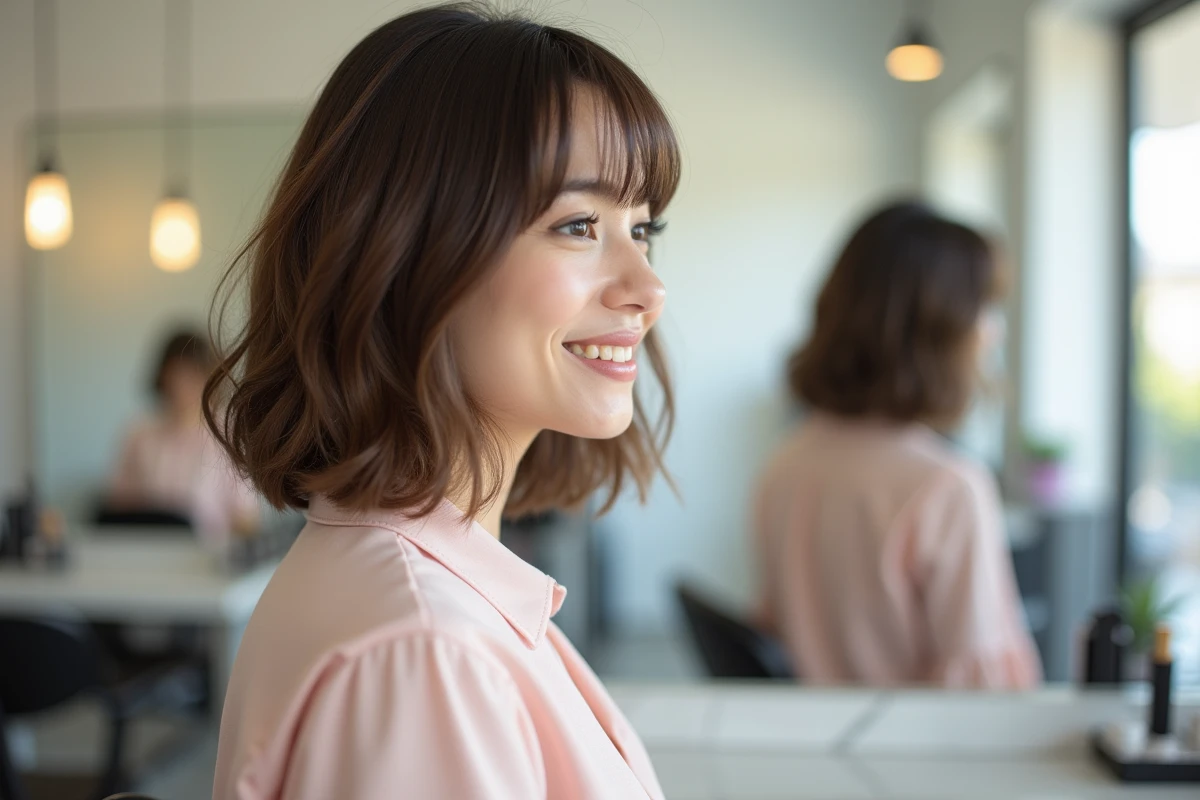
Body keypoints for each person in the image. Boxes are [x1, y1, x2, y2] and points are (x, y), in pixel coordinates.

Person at [207, 5, 678, 798]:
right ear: (409, 251)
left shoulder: (419, 598)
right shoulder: (428, 655)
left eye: (645, 228)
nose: (648, 289)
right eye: (577, 225)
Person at [752, 200, 1041, 690]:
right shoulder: (948, 485)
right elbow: (984, 694)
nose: (992, 332)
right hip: (921, 759)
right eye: (984, 309)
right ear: (940, 329)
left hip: (813, 749)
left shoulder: (787, 460)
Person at [107, 327, 259, 547]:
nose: (181, 384)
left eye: (191, 374)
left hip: (208, 558)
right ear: (162, 375)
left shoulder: (226, 434)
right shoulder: (138, 434)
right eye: (174, 373)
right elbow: (119, 507)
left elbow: (246, 518)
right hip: (147, 553)